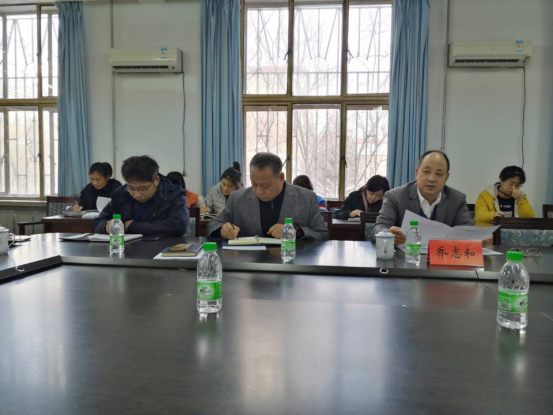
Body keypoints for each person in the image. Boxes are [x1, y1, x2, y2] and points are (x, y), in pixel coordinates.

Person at [371, 150, 492, 246]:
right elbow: (378, 228)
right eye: (426, 171)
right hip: (405, 262)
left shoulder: (457, 199)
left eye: (439, 174)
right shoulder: (395, 197)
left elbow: (466, 230)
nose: (432, 178)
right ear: (417, 173)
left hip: (443, 264)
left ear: (446, 177)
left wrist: (479, 238)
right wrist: (388, 234)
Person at [207, 152, 329, 241]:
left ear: (281, 178)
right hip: (247, 264)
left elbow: (323, 235)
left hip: (292, 262)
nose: (259, 191)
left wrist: (295, 231)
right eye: (254, 184)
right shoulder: (237, 199)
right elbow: (212, 225)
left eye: (265, 186)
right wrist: (222, 230)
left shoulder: (307, 198)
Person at [93, 155, 189, 236]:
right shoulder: (120, 194)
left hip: (164, 249)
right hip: (128, 249)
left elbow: (178, 226)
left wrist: (132, 226)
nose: (137, 195)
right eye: (131, 188)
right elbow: (97, 223)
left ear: (156, 180)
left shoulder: (174, 193)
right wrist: (106, 227)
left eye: (143, 189)